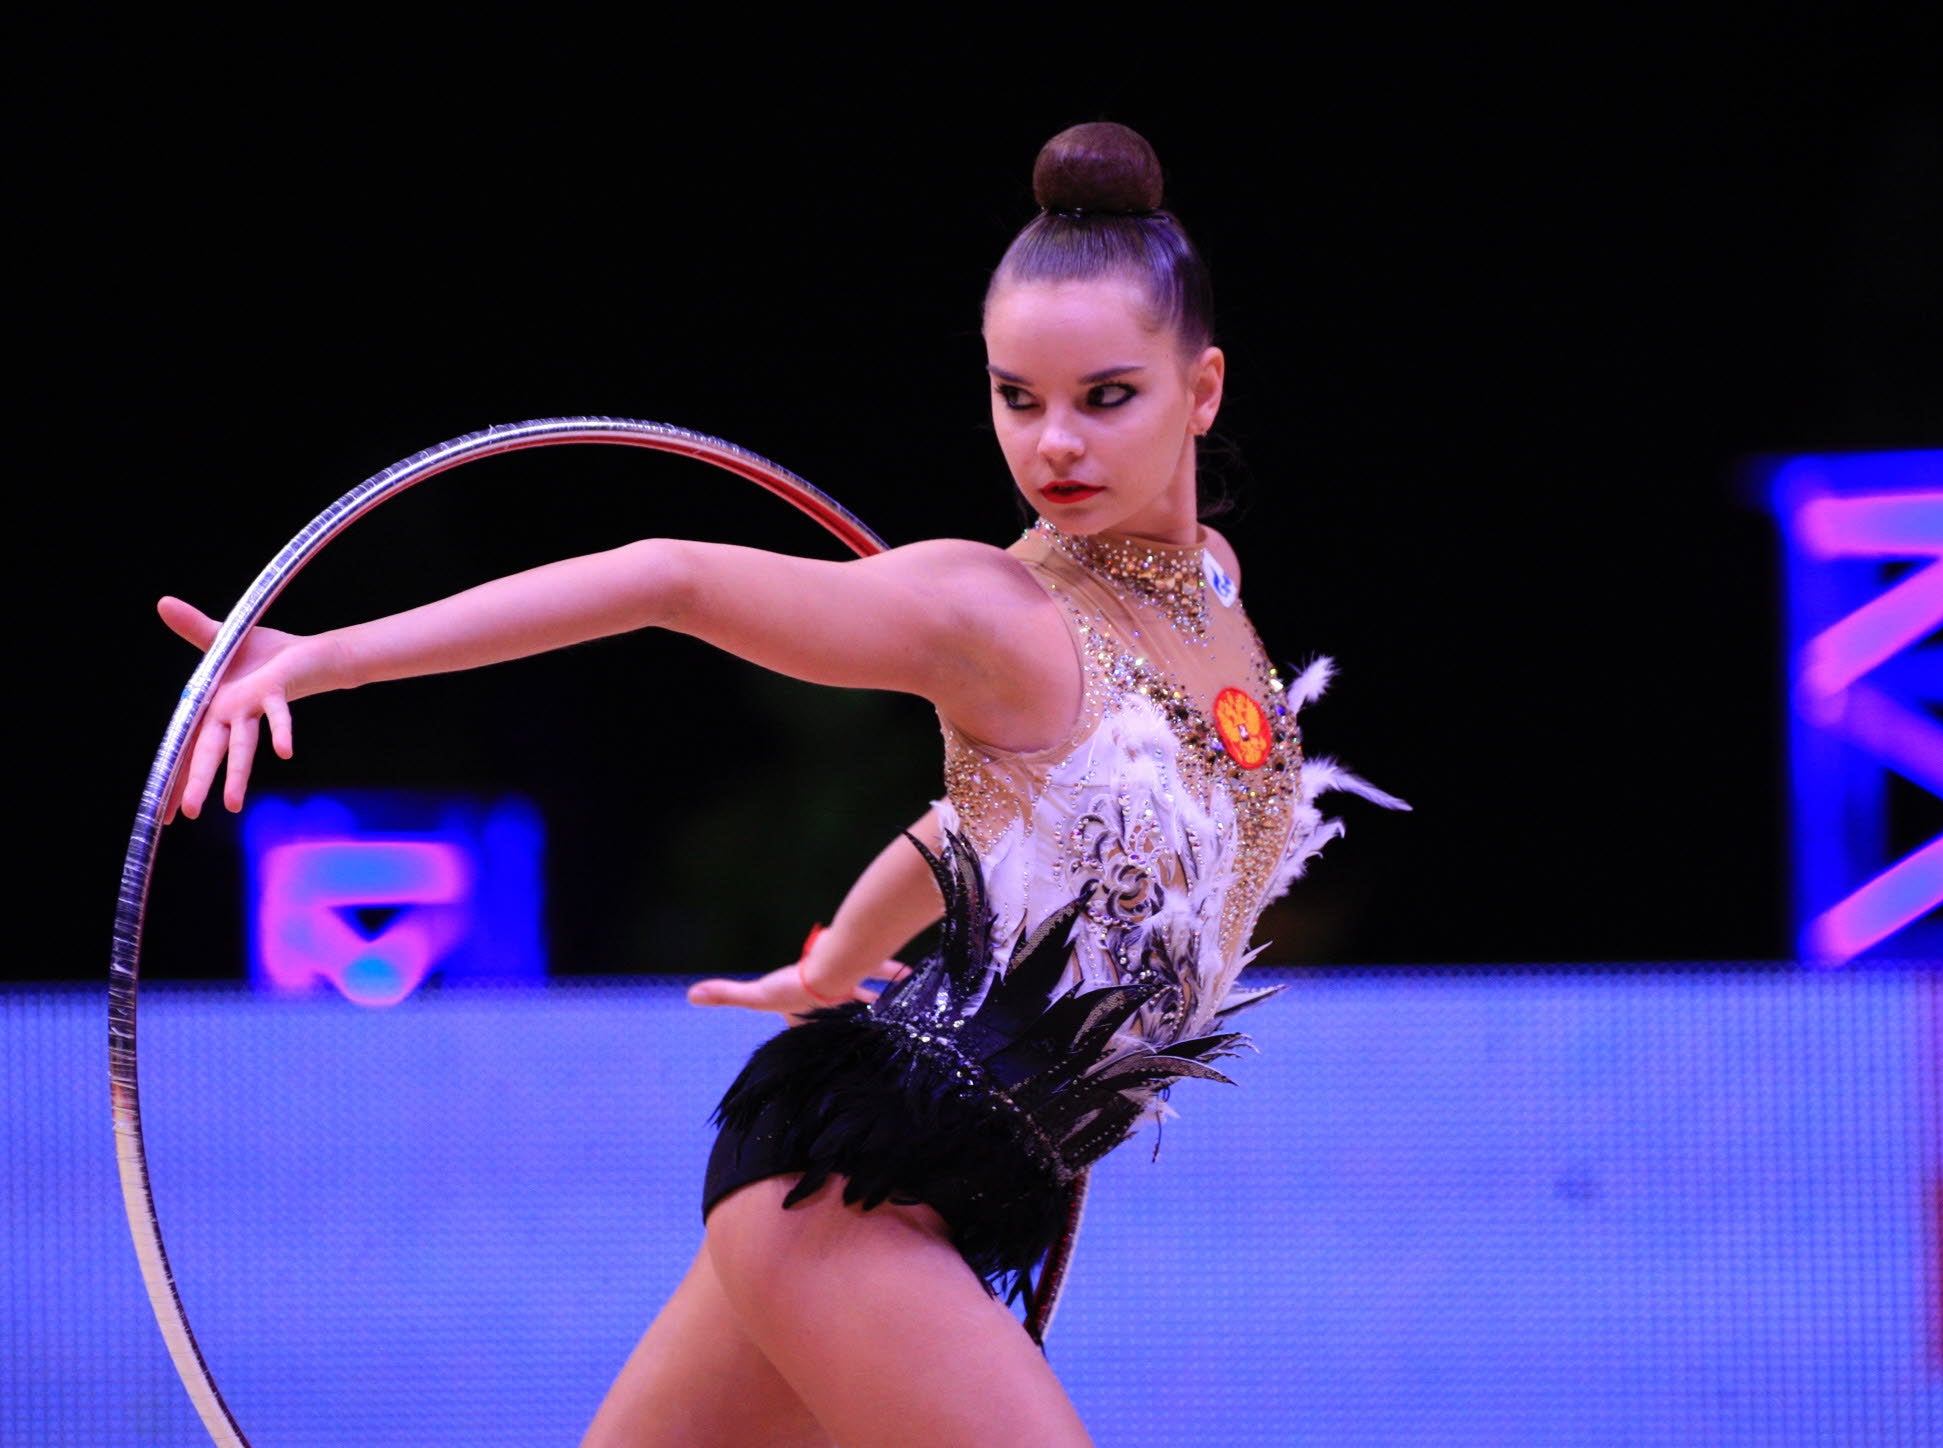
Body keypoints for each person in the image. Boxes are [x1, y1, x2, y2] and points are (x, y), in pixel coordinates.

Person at [160, 121, 1399, 1447]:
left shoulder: (1210, 590)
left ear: (1200, 389)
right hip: (861, 1190)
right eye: (1014, 397)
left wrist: (835, 962)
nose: (1053, 447)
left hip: (928, 1191)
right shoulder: (983, 610)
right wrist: (326, 661)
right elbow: (667, 579)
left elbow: (971, 838)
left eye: (1106, 397)